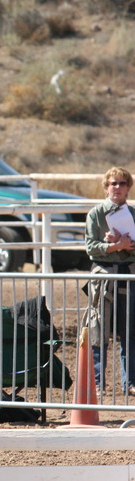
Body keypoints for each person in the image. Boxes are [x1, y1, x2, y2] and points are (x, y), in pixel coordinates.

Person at [84, 166, 135, 395]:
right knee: (99, 330)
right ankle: (97, 383)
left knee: (130, 331)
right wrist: (113, 246)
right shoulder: (95, 214)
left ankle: (130, 383)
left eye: (122, 183)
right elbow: (90, 248)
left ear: (128, 188)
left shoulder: (133, 214)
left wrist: (127, 245)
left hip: (128, 274)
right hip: (103, 277)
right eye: (113, 183)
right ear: (106, 188)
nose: (117, 187)